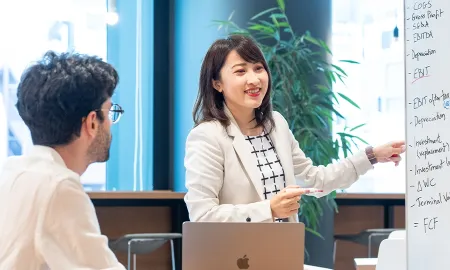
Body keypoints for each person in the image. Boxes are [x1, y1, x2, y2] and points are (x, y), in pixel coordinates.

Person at [184, 34, 405, 223]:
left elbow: (315, 180)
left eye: (258, 68)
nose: (254, 79)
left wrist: (372, 156)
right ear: (217, 83)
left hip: (282, 250)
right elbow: (202, 215)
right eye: (241, 71)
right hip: (236, 257)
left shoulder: (276, 124)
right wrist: (268, 209)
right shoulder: (207, 136)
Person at [0, 51, 126, 269]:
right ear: (92, 122)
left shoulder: (11, 173)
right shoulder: (58, 186)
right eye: (110, 112)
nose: (112, 124)